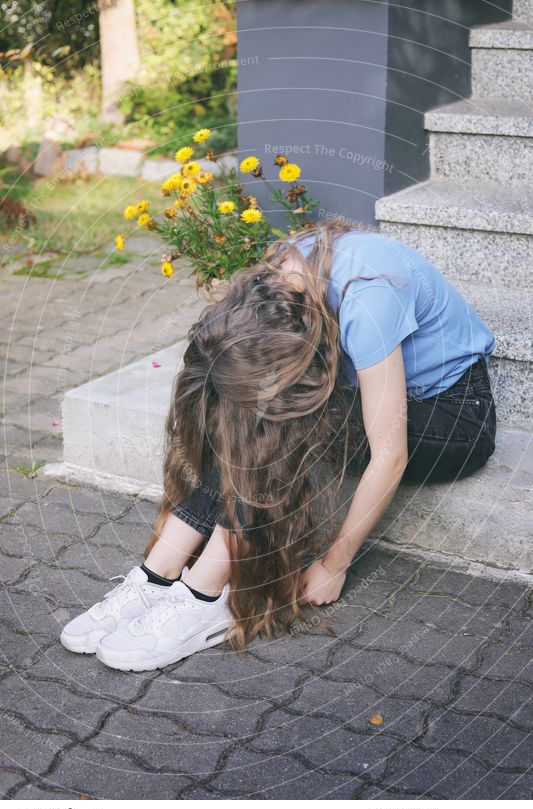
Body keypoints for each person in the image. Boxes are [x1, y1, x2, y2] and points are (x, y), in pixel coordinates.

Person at [61, 221, 496, 671]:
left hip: (453, 414)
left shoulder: (369, 305)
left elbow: (391, 454)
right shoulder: (278, 278)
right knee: (246, 416)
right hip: (381, 388)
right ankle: (156, 575)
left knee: (286, 428)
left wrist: (334, 564)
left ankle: (204, 596)